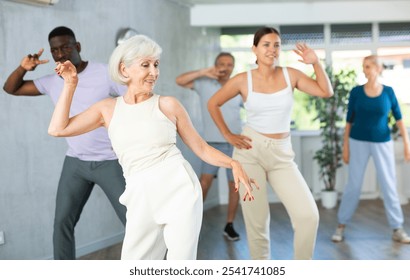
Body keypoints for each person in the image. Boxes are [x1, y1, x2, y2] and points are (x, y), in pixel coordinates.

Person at [48, 34, 257, 260]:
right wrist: (70, 84)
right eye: (145, 65)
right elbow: (58, 129)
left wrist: (233, 163)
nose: (154, 72)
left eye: (156, 65)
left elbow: (201, 148)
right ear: (124, 69)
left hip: (180, 190)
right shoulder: (107, 109)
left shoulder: (168, 105)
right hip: (139, 196)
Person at [208, 26, 334, 260]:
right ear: (254, 49)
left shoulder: (291, 75)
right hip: (249, 152)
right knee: (258, 226)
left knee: (308, 216)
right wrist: (228, 135)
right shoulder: (242, 80)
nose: (272, 49)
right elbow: (213, 103)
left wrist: (315, 63)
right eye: (266, 44)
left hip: (282, 155)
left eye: (276, 45)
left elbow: (325, 91)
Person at [2, 26, 127, 260]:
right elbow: (11, 88)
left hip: (110, 160)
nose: (60, 54)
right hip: (75, 162)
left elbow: (133, 102)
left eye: (66, 47)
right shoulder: (52, 81)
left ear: (77, 46)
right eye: (55, 50)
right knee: (62, 223)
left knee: (134, 221)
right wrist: (23, 68)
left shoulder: (104, 72)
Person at [331, 55, 410, 244]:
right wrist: (346, 147)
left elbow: (399, 119)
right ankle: (341, 226)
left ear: (378, 68)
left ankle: (397, 228)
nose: (365, 70)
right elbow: (349, 121)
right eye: (363, 66)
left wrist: (408, 144)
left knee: (389, 185)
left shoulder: (388, 92)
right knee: (353, 185)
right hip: (357, 141)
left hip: (382, 142)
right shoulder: (356, 92)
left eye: (368, 66)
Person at [175, 53, 243, 241]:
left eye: (229, 64)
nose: (225, 67)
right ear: (215, 65)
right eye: (221, 63)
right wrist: (205, 72)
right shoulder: (204, 83)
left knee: (234, 186)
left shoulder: (238, 87)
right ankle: (192, 223)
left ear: (233, 67)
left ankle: (229, 225)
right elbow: (179, 80)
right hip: (211, 145)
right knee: (203, 184)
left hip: (235, 144)